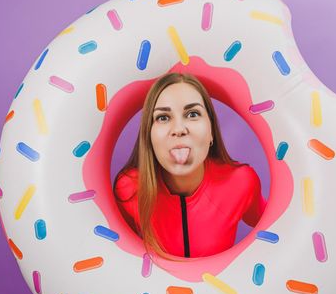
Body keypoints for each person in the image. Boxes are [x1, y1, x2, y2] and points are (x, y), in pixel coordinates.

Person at [113, 72, 267, 259]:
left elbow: (274, 225)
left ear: (211, 132)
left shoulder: (242, 181)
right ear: (149, 136)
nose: (179, 129)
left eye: (192, 114)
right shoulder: (129, 188)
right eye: (163, 117)